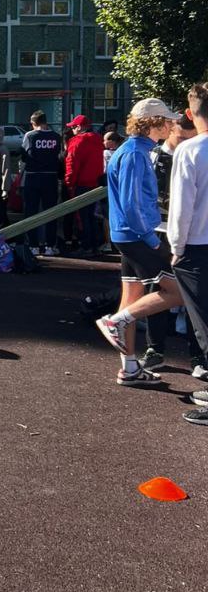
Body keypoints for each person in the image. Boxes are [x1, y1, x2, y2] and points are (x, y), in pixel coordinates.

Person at [95, 98, 185, 385]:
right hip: (137, 236)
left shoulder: (132, 150)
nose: (171, 125)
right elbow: (132, 203)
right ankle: (115, 323)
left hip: (127, 235)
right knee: (179, 292)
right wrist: (152, 240)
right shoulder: (136, 153)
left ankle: (130, 367)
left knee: (131, 300)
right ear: (153, 122)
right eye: (167, 120)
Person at [141, 113, 201, 372]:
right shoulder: (153, 156)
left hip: (191, 233)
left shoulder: (195, 153)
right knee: (158, 289)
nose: (186, 142)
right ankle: (155, 348)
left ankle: (198, 356)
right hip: (159, 231)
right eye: (182, 137)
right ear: (172, 130)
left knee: (196, 296)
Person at [167, 84, 208, 424]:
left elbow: (181, 208)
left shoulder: (190, 150)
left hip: (198, 245)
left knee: (204, 324)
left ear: (190, 114)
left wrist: (176, 248)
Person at [20, 111, 62, 256]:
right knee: (51, 211)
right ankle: (50, 245)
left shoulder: (30, 136)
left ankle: (33, 245)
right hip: (50, 177)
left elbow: (24, 155)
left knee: (30, 211)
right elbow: (59, 156)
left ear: (33, 123)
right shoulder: (56, 136)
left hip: (33, 176)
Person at [64, 115, 105, 256]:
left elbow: (72, 163)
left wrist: (69, 182)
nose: (72, 129)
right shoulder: (98, 140)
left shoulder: (77, 141)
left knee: (81, 218)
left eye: (73, 127)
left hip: (80, 184)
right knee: (92, 216)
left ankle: (85, 246)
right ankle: (94, 246)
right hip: (95, 183)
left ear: (79, 127)